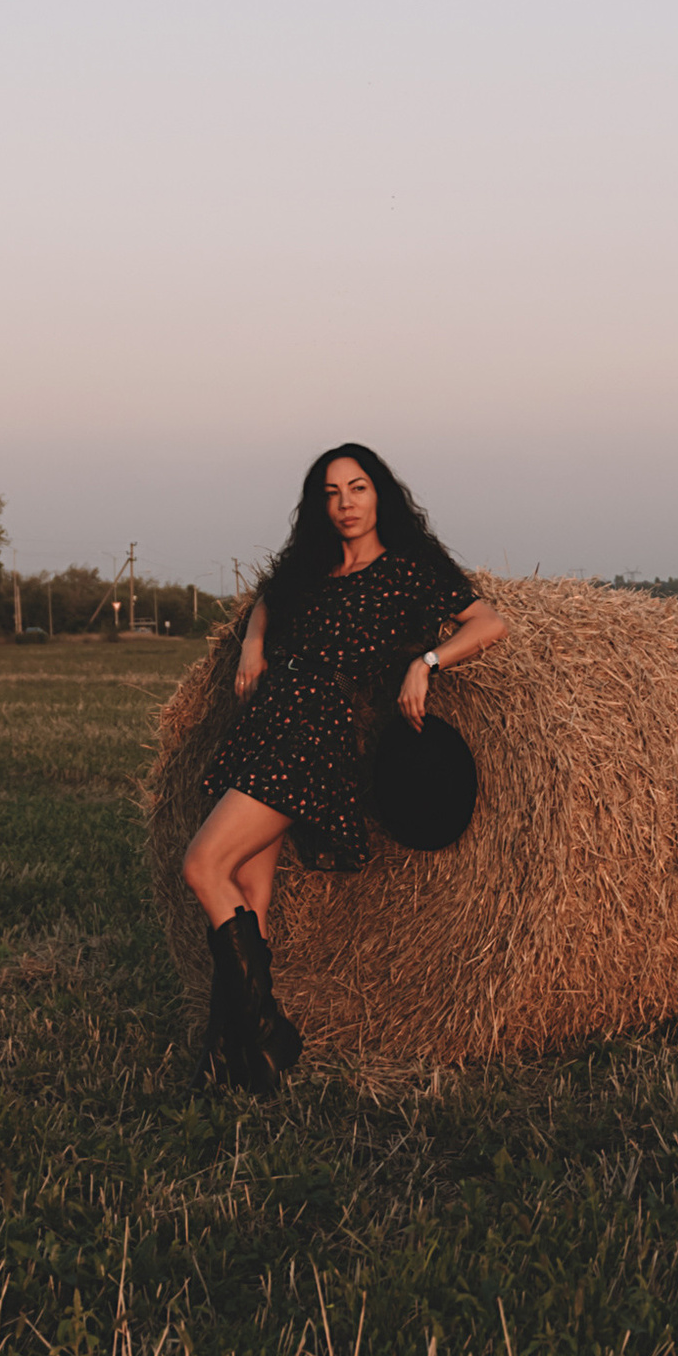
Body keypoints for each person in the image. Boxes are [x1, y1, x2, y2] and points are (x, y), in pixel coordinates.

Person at [181, 444, 508, 1092]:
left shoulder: (410, 568)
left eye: (357, 488)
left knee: (202, 865)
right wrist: (250, 642)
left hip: (312, 734)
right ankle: (236, 1055)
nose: (345, 504)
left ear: (379, 493)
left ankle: (268, 1028)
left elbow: (488, 622)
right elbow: (268, 599)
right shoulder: (313, 566)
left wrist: (427, 663)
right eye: (331, 493)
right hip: (269, 719)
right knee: (252, 892)